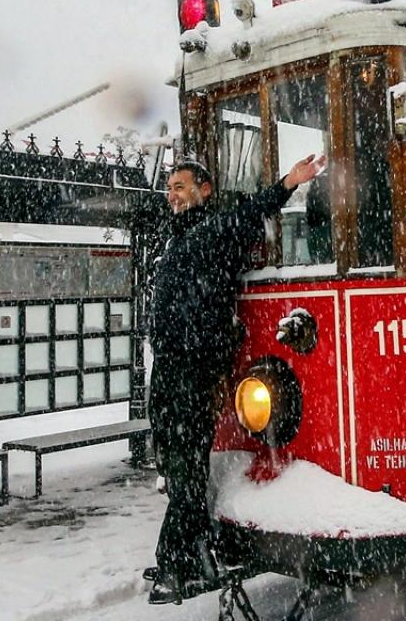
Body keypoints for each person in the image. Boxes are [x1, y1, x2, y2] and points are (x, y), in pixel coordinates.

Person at [146, 154, 325, 605]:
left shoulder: (216, 229)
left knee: (186, 468)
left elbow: (253, 209)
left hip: (193, 369)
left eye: (181, 186)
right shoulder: (177, 239)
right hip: (168, 368)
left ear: (204, 190)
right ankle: (190, 550)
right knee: (173, 463)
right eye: (169, 188)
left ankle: (173, 563)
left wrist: (289, 182)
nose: (173, 194)